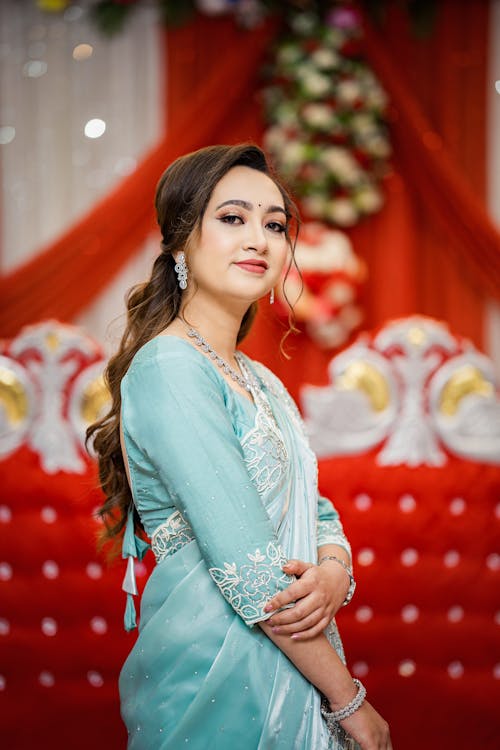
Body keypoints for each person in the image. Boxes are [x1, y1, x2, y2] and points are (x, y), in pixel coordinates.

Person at [88, 144, 392, 750]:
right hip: (216, 671)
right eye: (233, 218)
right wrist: (349, 699)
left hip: (294, 657)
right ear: (180, 241)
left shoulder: (263, 380)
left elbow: (319, 509)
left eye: (274, 225)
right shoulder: (170, 367)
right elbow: (251, 567)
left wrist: (334, 570)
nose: (259, 239)